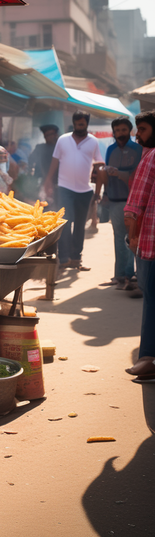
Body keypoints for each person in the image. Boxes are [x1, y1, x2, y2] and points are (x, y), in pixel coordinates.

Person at [43, 111, 104, 271]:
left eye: (82, 125)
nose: (79, 127)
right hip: (65, 189)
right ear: (73, 123)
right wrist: (48, 181)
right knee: (65, 223)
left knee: (79, 226)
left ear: (87, 124)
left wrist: (97, 192)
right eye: (77, 124)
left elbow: (99, 166)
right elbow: (55, 161)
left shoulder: (93, 142)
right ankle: (64, 258)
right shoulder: (63, 140)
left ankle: (76, 259)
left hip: (85, 191)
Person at [124, 111, 155, 376]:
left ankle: (147, 358)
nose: (137, 135)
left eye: (142, 129)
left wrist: (133, 238)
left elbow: (134, 206)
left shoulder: (151, 157)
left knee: (152, 300)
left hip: (151, 246)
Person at [95, 116, 142, 291]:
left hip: (133, 201)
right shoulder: (110, 149)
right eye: (117, 131)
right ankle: (119, 276)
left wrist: (119, 173)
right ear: (113, 133)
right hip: (114, 200)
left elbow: (136, 176)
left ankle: (131, 276)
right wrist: (105, 194)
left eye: (123, 130)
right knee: (118, 238)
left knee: (130, 239)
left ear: (130, 131)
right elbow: (106, 173)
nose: (120, 133)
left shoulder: (138, 149)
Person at [29, 124, 60, 207]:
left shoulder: (61, 147)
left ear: (56, 134)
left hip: (60, 183)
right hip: (44, 182)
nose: (48, 137)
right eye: (46, 135)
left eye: (51, 134)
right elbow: (31, 161)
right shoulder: (40, 148)